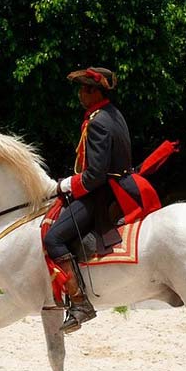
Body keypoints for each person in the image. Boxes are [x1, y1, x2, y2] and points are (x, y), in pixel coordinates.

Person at [43, 66, 141, 334]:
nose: (79, 95)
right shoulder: (113, 114)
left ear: (93, 91)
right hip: (118, 183)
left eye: (83, 90)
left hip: (103, 192)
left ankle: (79, 303)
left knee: (53, 239)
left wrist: (66, 184)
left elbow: (95, 176)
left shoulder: (98, 121)